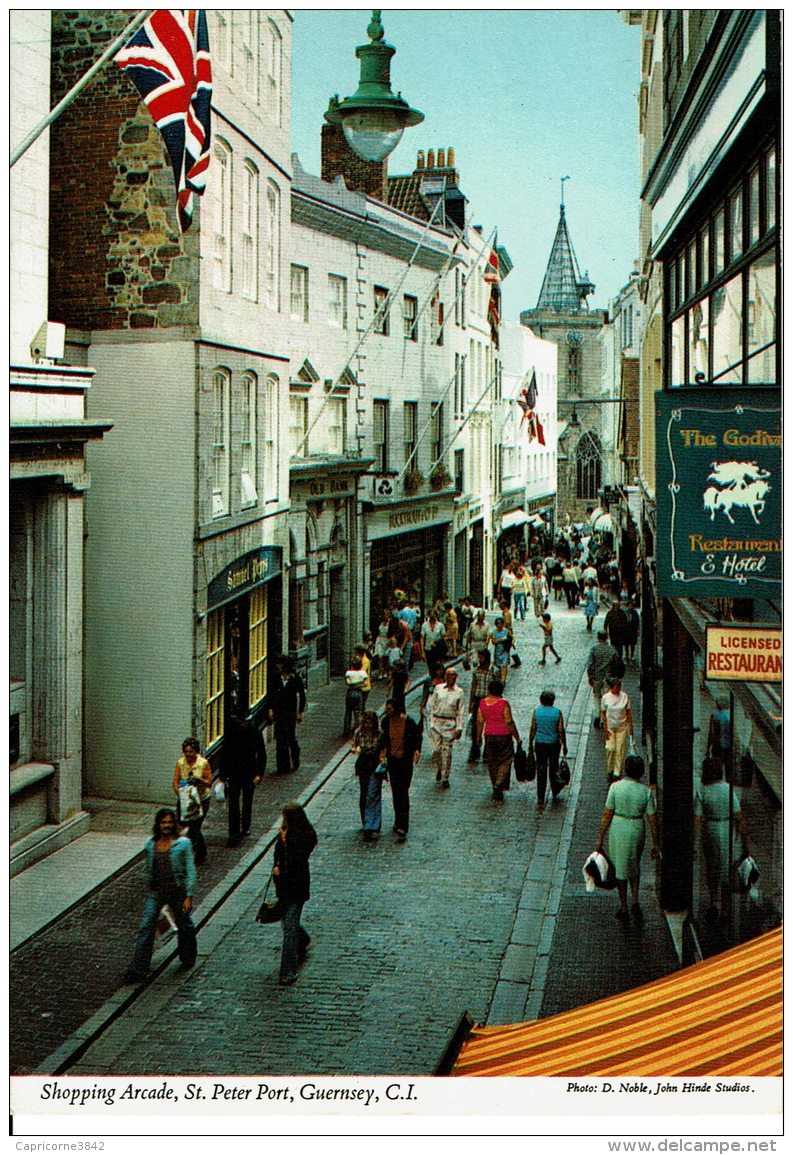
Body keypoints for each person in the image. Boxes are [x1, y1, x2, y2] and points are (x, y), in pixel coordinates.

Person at [123, 808, 197, 983]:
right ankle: (137, 969)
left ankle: (187, 956)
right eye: (164, 822)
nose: (167, 826)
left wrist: (189, 895)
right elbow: (149, 867)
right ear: (158, 824)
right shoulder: (150, 844)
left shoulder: (183, 843)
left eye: (170, 822)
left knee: (184, 923)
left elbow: (191, 870)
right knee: (146, 926)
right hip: (156, 892)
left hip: (177, 892)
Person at [594, 755, 660, 921]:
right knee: (634, 863)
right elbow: (652, 818)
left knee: (619, 867)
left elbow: (606, 815)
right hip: (637, 827)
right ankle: (635, 899)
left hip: (618, 827)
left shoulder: (615, 788)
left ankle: (623, 906)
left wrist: (600, 838)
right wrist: (656, 843)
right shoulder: (645, 791)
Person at [694, 757, 748, 917]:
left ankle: (713, 902)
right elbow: (739, 817)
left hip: (710, 828)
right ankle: (726, 906)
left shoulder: (702, 791)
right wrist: (745, 843)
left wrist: (694, 844)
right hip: (727, 827)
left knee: (712, 867)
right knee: (727, 866)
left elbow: (697, 819)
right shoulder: (728, 789)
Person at [272, 802, 318, 985]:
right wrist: (276, 865)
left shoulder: (305, 836)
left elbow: (296, 859)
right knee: (289, 922)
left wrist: (285, 843)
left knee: (289, 928)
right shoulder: (284, 833)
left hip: (296, 886)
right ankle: (303, 939)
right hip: (283, 885)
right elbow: (278, 856)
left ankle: (287, 971)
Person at [379, 699, 422, 840]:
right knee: (396, 791)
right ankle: (398, 821)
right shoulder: (386, 721)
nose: (387, 711)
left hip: (405, 761)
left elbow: (417, 737)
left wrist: (416, 751)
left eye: (390, 708)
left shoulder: (408, 722)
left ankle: (403, 824)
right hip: (393, 761)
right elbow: (383, 739)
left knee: (403, 791)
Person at [220, 714, 266, 846]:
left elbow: (261, 754)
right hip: (234, 772)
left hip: (249, 773)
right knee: (233, 803)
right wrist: (223, 774)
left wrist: (259, 774)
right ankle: (233, 833)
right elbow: (225, 753)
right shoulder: (231, 732)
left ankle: (245, 826)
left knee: (247, 800)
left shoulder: (254, 733)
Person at [476, 679, 520, 801]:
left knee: (492, 761)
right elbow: (509, 721)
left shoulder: (482, 703)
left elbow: (480, 721)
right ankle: (498, 783)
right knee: (506, 760)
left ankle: (495, 784)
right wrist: (517, 737)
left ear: (489, 689)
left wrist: (478, 736)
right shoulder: (503, 703)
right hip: (504, 735)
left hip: (489, 735)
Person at [172, 736, 212, 866]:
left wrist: (200, 781)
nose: (188, 754)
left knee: (194, 827)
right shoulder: (180, 763)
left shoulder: (203, 763)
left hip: (201, 800)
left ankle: (194, 855)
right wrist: (181, 793)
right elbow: (175, 782)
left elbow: (209, 782)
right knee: (183, 823)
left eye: (191, 752)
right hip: (186, 799)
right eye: (186, 751)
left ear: (196, 752)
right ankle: (202, 851)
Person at [427, 666, 466, 789]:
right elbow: (431, 704)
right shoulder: (438, 689)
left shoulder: (459, 692)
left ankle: (445, 777)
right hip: (437, 722)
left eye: (453, 675)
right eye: (448, 674)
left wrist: (459, 727)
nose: (450, 677)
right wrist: (431, 720)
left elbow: (461, 711)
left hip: (450, 724)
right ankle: (440, 768)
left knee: (447, 752)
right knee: (436, 750)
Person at [529, 690, 568, 807]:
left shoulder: (537, 712)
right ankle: (555, 790)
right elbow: (561, 730)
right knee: (553, 767)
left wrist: (530, 742)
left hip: (540, 743)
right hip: (554, 744)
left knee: (541, 769)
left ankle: (541, 796)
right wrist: (565, 745)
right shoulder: (558, 712)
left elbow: (533, 728)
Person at [351, 710, 386, 842]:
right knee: (364, 793)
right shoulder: (358, 732)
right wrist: (356, 749)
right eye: (366, 722)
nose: (368, 725)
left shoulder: (380, 733)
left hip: (375, 763)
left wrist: (382, 760)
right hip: (363, 763)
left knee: (374, 794)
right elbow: (354, 746)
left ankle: (374, 824)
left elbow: (383, 749)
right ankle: (366, 822)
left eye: (370, 723)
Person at [267, 655, 306, 774]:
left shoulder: (295, 678)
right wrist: (270, 709)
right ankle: (282, 767)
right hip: (279, 712)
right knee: (279, 739)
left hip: (290, 712)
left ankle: (295, 757)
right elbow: (271, 694)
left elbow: (302, 696)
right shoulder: (276, 678)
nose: (278, 666)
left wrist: (300, 712)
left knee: (289, 737)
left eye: (280, 664)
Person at [601, 677, 634, 782]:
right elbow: (603, 713)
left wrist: (631, 727)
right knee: (610, 749)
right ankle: (610, 769)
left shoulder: (625, 697)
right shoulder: (606, 698)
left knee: (620, 749)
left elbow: (628, 712)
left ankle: (617, 772)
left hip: (622, 727)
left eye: (619, 687)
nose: (618, 689)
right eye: (616, 687)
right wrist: (605, 729)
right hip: (610, 727)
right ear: (611, 688)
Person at [587, 630, 619, 726]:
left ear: (598, 637)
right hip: (608, 677)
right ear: (607, 637)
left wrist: (590, 676)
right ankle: (603, 718)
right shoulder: (611, 649)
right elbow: (616, 662)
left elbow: (590, 664)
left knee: (597, 696)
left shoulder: (594, 648)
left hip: (597, 676)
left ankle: (597, 715)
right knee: (606, 697)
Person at [467, 649, 492, 763]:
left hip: (490, 701)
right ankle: (474, 751)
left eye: (481, 657)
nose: (479, 660)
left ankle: (487, 752)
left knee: (489, 727)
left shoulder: (493, 670)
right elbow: (473, 686)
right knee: (475, 727)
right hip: (478, 700)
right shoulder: (476, 671)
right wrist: (471, 702)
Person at [343, 656, 367, 737]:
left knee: (348, 712)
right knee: (358, 712)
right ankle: (357, 730)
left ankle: (346, 730)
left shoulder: (349, 673)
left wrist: (353, 685)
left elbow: (348, 683)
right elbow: (365, 683)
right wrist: (358, 685)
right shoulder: (363, 673)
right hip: (359, 692)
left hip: (350, 693)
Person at [706, 698, 732, 771]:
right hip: (729, 745)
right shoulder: (731, 715)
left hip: (718, 745)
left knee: (717, 767)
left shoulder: (714, 715)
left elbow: (712, 733)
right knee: (728, 767)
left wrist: (708, 748)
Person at [490, 616, 512, 685]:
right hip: (498, 651)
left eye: (500, 623)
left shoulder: (506, 631)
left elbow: (512, 638)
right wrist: (501, 639)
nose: (499, 625)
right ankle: (499, 677)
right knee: (498, 665)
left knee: (504, 665)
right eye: (498, 624)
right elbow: (493, 642)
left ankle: (503, 680)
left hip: (505, 650)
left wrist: (510, 641)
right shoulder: (493, 631)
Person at [499, 600, 522, 668]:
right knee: (509, 647)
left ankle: (516, 661)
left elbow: (507, 624)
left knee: (508, 647)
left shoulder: (507, 614)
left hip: (507, 633)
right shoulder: (505, 613)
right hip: (507, 632)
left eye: (501, 605)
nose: (500, 606)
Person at [373, 609, 393, 679]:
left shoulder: (390, 623)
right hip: (380, 640)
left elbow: (392, 634)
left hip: (387, 640)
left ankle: (386, 672)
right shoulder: (380, 622)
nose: (385, 616)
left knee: (386, 658)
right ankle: (380, 672)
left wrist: (389, 642)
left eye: (386, 614)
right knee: (380, 657)